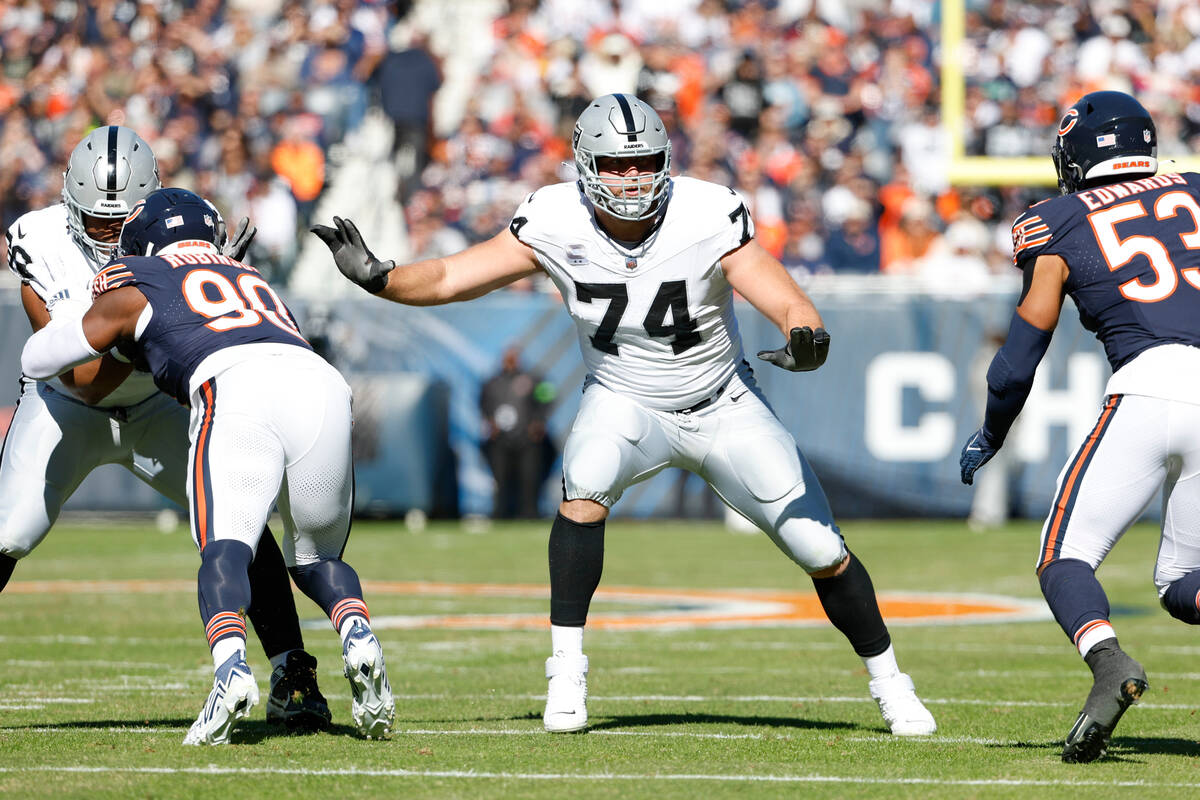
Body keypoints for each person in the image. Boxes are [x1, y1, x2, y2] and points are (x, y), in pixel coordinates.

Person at [312, 93, 936, 737]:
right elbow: (448, 276)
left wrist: (804, 330)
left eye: (644, 163)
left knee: (820, 547)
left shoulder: (707, 211)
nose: (633, 178)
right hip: (623, 398)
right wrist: (382, 279)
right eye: (615, 165)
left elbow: (780, 291)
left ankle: (892, 684)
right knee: (585, 479)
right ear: (584, 164)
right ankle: (567, 673)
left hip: (721, 400)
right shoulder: (553, 217)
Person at [20, 188, 394, 746]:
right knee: (315, 557)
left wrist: (113, 330)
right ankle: (358, 633)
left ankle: (231, 671)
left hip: (235, 388)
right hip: (320, 384)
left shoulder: (134, 277)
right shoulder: (255, 279)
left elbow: (39, 358)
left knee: (225, 548)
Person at [959, 90, 1200, 763]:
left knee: (1062, 554)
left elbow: (1017, 359)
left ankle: (1107, 663)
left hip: (1150, 384)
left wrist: (993, 431)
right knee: (1184, 585)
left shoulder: (1057, 221)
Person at [479, 346, 551, 519]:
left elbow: (548, 396)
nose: (510, 360)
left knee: (529, 478)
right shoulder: (492, 382)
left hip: (527, 440)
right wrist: (489, 421)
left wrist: (539, 421)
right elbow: (482, 403)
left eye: (514, 357)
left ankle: (530, 514)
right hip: (501, 441)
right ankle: (500, 514)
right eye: (507, 357)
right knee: (500, 480)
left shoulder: (532, 380)